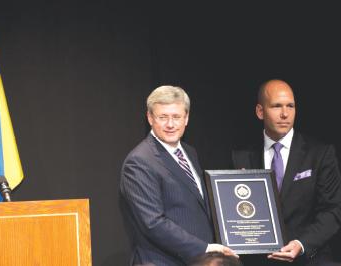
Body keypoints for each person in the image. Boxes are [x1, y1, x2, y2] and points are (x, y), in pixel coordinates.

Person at [120, 85, 237, 266]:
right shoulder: (139, 161)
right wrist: (204, 248)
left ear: (186, 118)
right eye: (163, 117)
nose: (170, 124)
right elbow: (153, 223)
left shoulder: (190, 152)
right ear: (150, 118)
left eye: (176, 117)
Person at [232, 79, 341, 265]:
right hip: (259, 260)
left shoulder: (320, 154)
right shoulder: (241, 158)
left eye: (290, 106)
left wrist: (301, 243)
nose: (285, 114)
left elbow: (333, 210)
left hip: (309, 258)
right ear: (260, 111)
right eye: (276, 106)